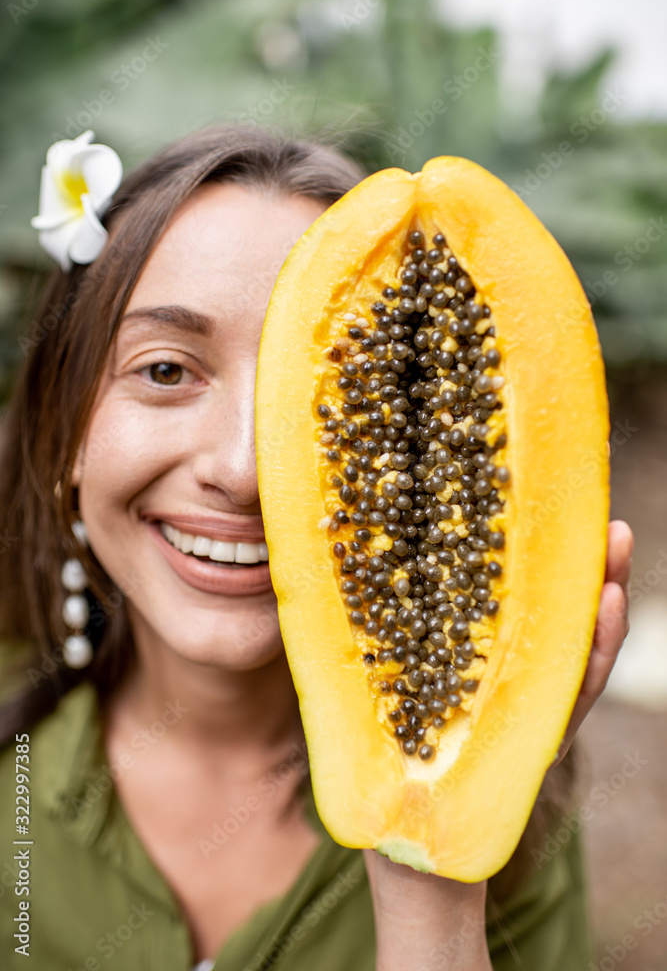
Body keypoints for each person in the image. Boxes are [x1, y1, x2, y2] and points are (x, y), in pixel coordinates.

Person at [0, 125, 632, 971]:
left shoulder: (524, 822)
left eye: (328, 393)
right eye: (165, 370)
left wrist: (437, 849)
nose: (242, 470)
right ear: (65, 421)